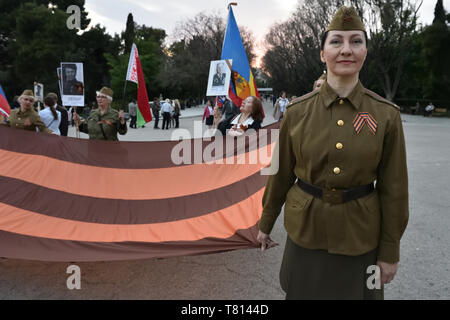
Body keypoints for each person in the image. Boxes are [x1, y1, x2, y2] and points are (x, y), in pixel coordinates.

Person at [257, 6, 408, 300]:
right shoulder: (298, 111)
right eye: (336, 41)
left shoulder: (386, 115)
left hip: (360, 236)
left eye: (356, 41)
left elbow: (395, 189)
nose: (346, 50)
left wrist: (390, 251)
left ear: (365, 50)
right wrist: (266, 222)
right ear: (323, 53)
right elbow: (280, 172)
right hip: (305, 231)